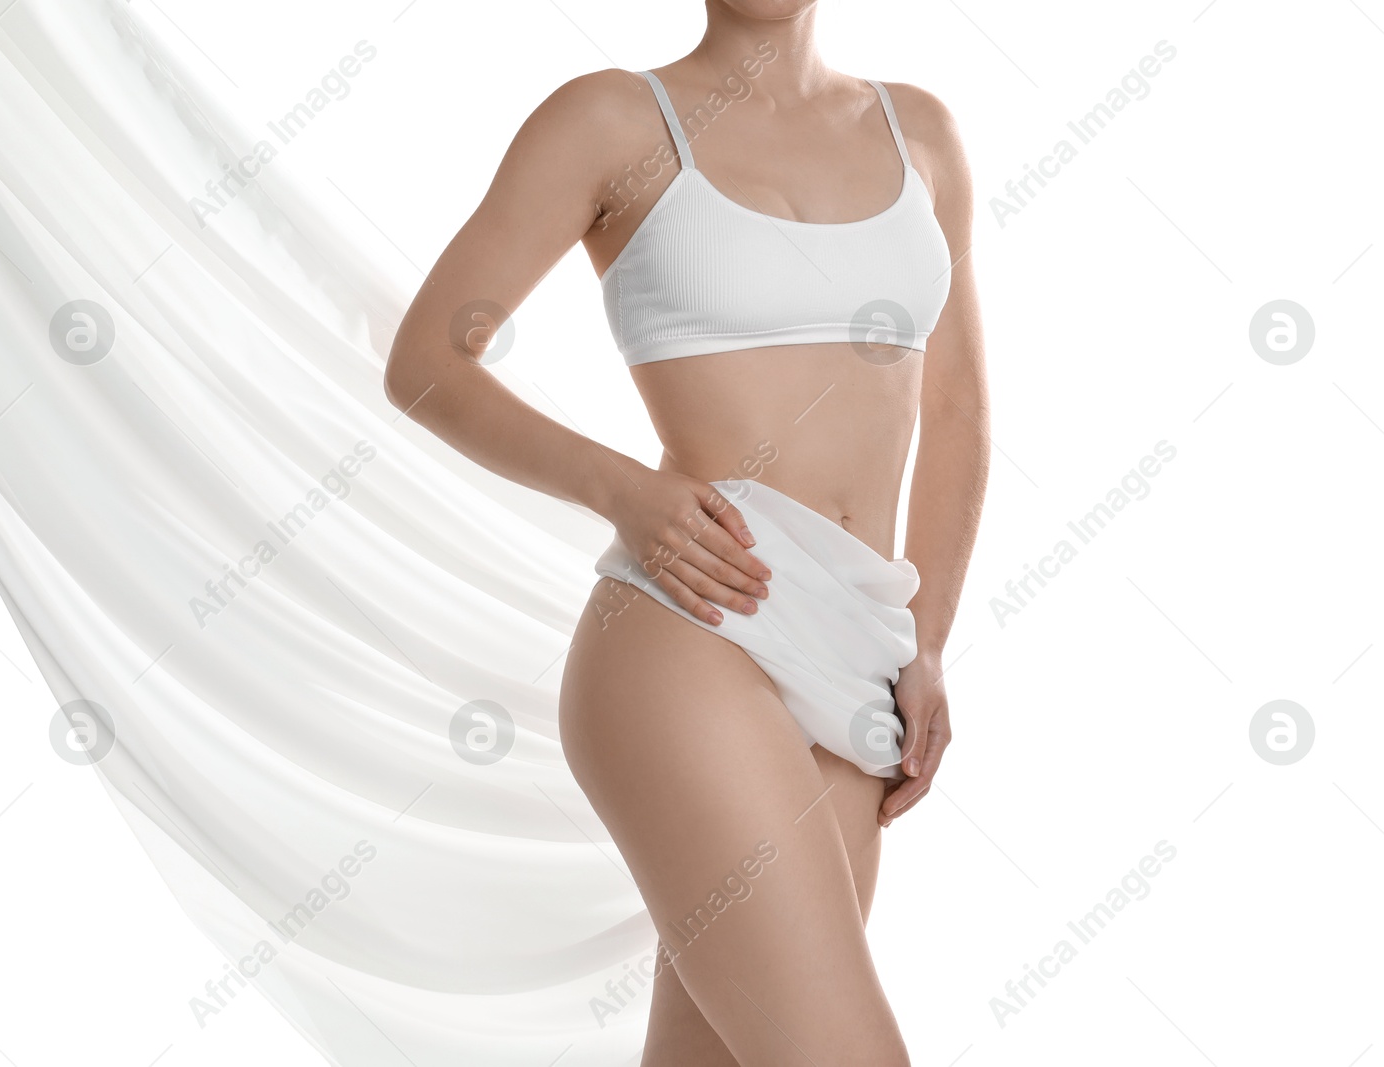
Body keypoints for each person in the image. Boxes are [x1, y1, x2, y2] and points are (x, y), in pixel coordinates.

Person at [383, 2, 988, 1062]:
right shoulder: (614, 120)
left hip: (861, 646)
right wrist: (624, 490)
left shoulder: (921, 133)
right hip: (694, 624)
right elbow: (430, 358)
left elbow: (955, 412)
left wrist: (926, 637)